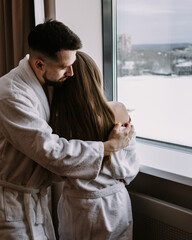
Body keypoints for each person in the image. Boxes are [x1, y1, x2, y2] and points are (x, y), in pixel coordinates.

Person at [0, 20, 134, 240]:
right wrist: (108, 147)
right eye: (64, 67)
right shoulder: (11, 94)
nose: (72, 73)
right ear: (39, 64)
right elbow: (50, 150)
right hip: (12, 206)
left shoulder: (44, 82)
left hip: (35, 202)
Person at [50, 51, 140, 240]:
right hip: (113, 202)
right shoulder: (117, 110)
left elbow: (56, 170)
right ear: (94, 76)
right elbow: (129, 169)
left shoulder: (57, 120)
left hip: (76, 205)